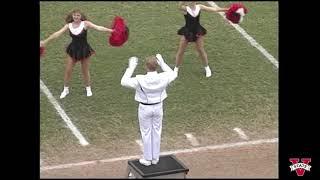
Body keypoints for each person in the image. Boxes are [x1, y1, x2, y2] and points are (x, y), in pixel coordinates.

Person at [40, 9, 114, 99]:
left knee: (85, 70)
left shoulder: (85, 24)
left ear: (81, 17)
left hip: (84, 49)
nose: (76, 17)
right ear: (72, 16)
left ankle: (88, 88)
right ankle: (66, 89)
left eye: (78, 15)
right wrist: (45, 41)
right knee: (68, 70)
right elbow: (57, 34)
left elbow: (98, 27)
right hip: (73, 50)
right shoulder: (69, 26)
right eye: (74, 15)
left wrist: (111, 30)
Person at [121, 54, 177, 166]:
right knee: (157, 131)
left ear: (146, 67)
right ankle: (155, 158)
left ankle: (147, 159)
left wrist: (131, 67)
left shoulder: (140, 79)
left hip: (145, 108)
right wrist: (163, 62)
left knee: (146, 132)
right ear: (157, 66)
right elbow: (174, 74)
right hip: (158, 107)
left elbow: (123, 81)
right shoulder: (163, 76)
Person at [174, 1, 229, 77]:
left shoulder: (199, 7)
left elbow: (214, 9)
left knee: (201, 50)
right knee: (181, 51)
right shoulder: (185, 9)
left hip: (197, 32)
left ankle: (207, 68)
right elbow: (179, 6)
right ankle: (176, 69)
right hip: (187, 32)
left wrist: (226, 9)